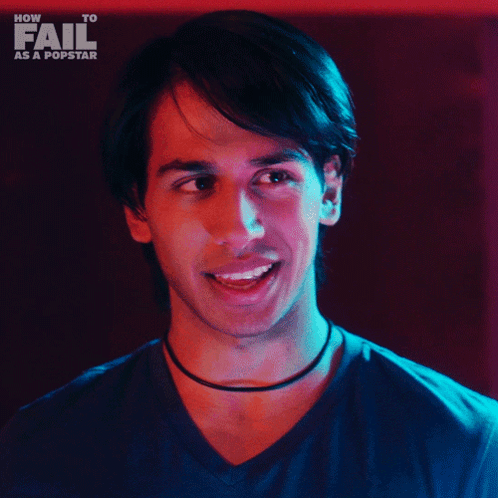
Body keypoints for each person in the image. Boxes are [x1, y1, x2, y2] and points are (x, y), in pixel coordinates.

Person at [1, 10, 497, 497]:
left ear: (329, 191)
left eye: (274, 177)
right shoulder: (43, 452)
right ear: (138, 210)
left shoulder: (467, 450)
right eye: (197, 183)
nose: (239, 230)